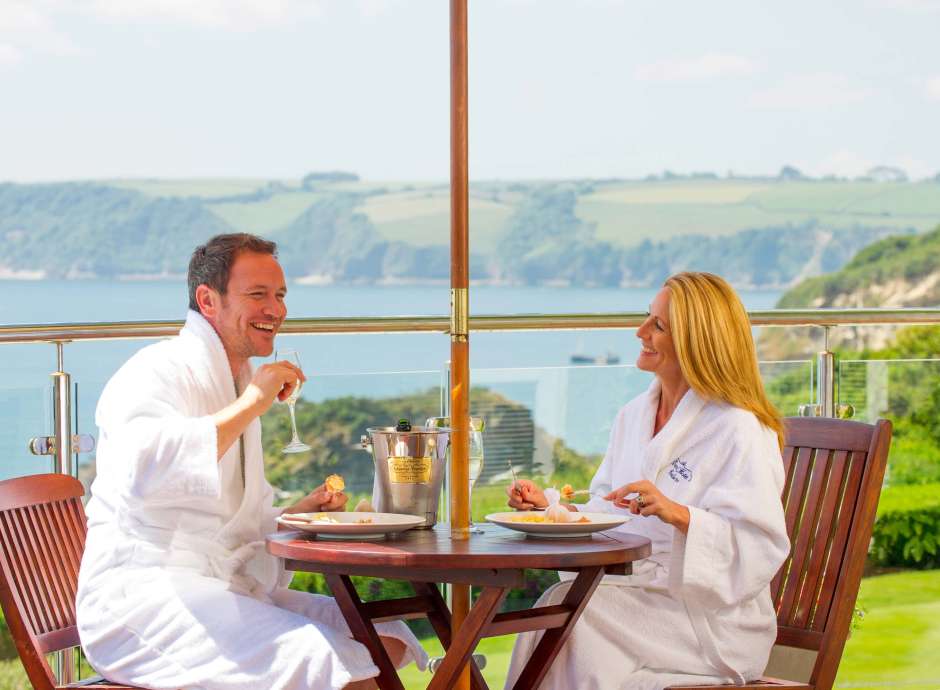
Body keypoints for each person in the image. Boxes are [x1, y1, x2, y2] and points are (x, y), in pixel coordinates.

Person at [76, 233, 427, 690]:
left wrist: (299, 512)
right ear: (208, 299)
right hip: (144, 601)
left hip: (221, 586)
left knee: (386, 635)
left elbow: (234, 520)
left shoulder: (237, 380)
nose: (275, 309)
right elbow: (143, 471)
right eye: (257, 294)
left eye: (279, 295)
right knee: (322, 658)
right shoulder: (154, 371)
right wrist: (254, 402)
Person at [505, 272, 791, 690]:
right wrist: (554, 510)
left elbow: (760, 546)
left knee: (575, 613)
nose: (640, 332)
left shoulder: (738, 429)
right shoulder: (634, 415)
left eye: (657, 325)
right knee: (566, 608)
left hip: (708, 621)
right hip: (639, 594)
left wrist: (680, 515)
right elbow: (609, 507)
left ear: (696, 342)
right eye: (647, 318)